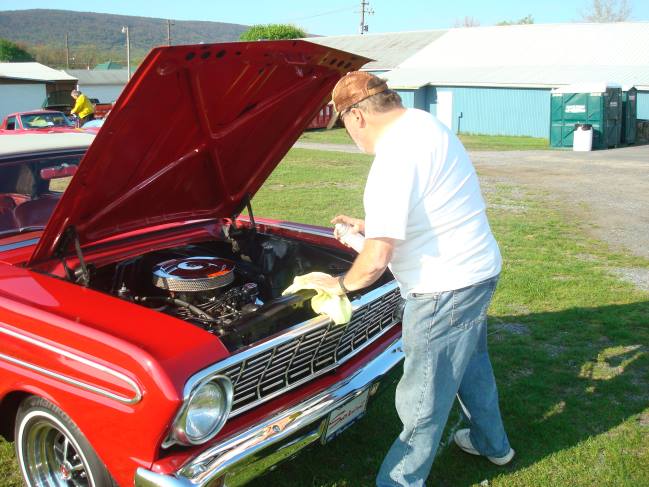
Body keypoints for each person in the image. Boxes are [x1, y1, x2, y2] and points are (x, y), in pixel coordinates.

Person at [299, 72, 514, 486]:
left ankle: (399, 480)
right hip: (479, 272)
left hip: (443, 289)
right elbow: (430, 203)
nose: (350, 134)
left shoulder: (392, 159)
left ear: (357, 116)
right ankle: (492, 444)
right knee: (472, 365)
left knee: (423, 398)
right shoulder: (425, 125)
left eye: (344, 124)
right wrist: (369, 224)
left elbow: (374, 261)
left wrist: (337, 286)